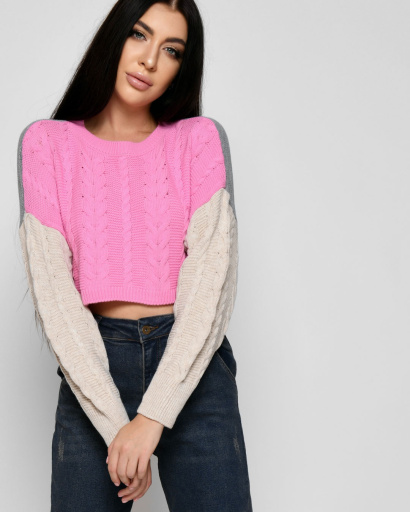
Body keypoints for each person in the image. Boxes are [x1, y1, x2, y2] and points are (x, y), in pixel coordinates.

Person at [17, 0, 253, 510]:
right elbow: (56, 297)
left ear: (182, 67)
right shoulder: (46, 145)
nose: (149, 59)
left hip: (191, 362)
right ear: (115, 36)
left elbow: (210, 283)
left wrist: (153, 416)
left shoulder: (199, 140)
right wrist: (117, 427)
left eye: (172, 50)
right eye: (139, 35)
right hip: (92, 364)